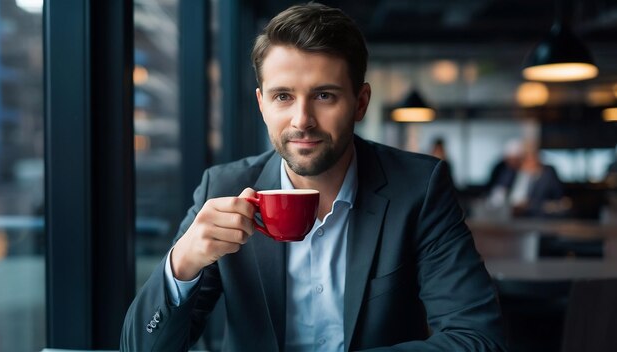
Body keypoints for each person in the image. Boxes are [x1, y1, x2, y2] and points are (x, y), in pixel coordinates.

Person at [120, 3, 506, 351]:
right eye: (283, 96)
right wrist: (182, 264)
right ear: (262, 104)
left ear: (360, 102)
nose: (301, 120)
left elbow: (477, 338)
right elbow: (139, 348)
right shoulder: (222, 189)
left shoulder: (417, 188)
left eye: (324, 96)